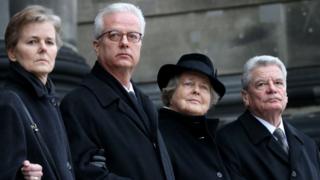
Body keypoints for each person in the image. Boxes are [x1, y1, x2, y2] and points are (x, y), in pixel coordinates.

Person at [60, 2, 174, 180]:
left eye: (133, 36)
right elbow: (87, 173)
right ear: (97, 45)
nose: (125, 43)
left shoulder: (145, 102)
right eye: (114, 35)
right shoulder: (78, 103)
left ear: (140, 44)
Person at [0, 5, 74, 180]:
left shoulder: (51, 100)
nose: (43, 48)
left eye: (49, 42)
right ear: (12, 52)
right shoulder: (9, 103)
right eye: (32, 41)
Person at [216, 55, 320, 180]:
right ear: (245, 97)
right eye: (261, 84)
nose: (272, 89)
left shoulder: (307, 144)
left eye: (278, 83)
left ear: (285, 93)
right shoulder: (227, 142)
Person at [157, 53, 231, 180]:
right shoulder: (156, 133)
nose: (196, 91)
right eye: (188, 84)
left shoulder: (221, 137)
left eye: (204, 87)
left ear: (210, 99)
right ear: (171, 91)